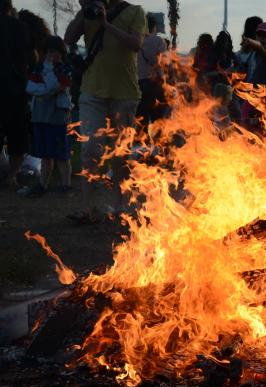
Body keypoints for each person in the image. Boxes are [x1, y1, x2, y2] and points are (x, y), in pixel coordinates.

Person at [64, 0, 147, 223]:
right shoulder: (88, 12)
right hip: (92, 91)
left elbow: (135, 44)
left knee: (121, 153)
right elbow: (68, 38)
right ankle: (88, 208)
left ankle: (122, 207)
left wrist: (106, 23)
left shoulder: (135, 11)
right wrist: (85, 11)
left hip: (126, 92)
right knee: (91, 149)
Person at [25, 35, 73, 196]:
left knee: (61, 154)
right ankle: (42, 185)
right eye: (49, 52)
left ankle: (65, 185)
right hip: (40, 115)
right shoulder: (38, 68)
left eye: (56, 51)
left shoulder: (64, 69)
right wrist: (46, 90)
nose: (52, 55)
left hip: (57, 116)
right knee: (45, 154)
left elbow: (58, 86)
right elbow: (30, 87)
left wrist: (48, 79)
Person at [0, 0, 32, 190]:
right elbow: (29, 57)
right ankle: (12, 176)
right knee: (17, 134)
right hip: (16, 86)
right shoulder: (20, 27)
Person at [137, 13, 167, 125]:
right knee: (158, 116)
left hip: (139, 82)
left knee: (141, 115)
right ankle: (157, 140)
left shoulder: (136, 40)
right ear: (154, 27)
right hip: (155, 83)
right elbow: (164, 62)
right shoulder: (159, 41)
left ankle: (140, 140)